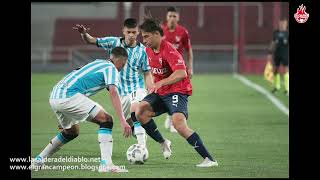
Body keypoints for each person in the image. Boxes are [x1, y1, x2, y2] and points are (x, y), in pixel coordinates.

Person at [132, 17, 218, 167]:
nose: (144, 40)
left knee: (178, 124)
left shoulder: (169, 50)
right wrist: (151, 84)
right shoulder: (148, 50)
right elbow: (152, 71)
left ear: (157, 34)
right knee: (140, 111)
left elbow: (181, 73)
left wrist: (159, 83)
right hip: (161, 92)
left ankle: (209, 160)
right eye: (143, 37)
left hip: (177, 90)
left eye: (146, 36)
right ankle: (163, 142)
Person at [33, 47, 131, 173]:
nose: (122, 68)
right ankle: (106, 164)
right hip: (68, 95)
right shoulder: (111, 68)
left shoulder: (98, 62)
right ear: (118, 60)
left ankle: (39, 160)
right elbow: (113, 92)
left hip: (55, 96)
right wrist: (123, 120)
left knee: (71, 132)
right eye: (123, 65)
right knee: (106, 120)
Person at [73, 18, 154, 147]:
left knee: (136, 113)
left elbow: (147, 72)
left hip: (136, 88)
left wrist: (151, 89)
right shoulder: (113, 42)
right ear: (123, 31)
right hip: (120, 93)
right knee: (132, 123)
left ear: (138, 32)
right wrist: (84, 33)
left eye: (134, 32)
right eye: (129, 32)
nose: (131, 35)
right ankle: (139, 135)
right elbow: (92, 40)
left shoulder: (143, 51)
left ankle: (142, 148)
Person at [161, 6, 194, 133]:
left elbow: (188, 50)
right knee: (165, 93)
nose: (172, 18)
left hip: (179, 69)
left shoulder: (183, 32)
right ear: (166, 17)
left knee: (180, 92)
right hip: (164, 70)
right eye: (170, 16)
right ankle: (169, 116)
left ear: (178, 17)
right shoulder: (161, 32)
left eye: (174, 16)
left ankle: (175, 120)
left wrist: (190, 67)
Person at [267, 18, 289, 96]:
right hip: (277, 54)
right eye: (281, 23)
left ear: (286, 25)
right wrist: (269, 52)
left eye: (284, 24)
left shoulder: (287, 33)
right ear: (279, 24)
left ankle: (287, 89)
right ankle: (277, 87)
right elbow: (273, 43)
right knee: (275, 69)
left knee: (286, 70)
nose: (282, 25)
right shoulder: (275, 33)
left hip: (285, 54)